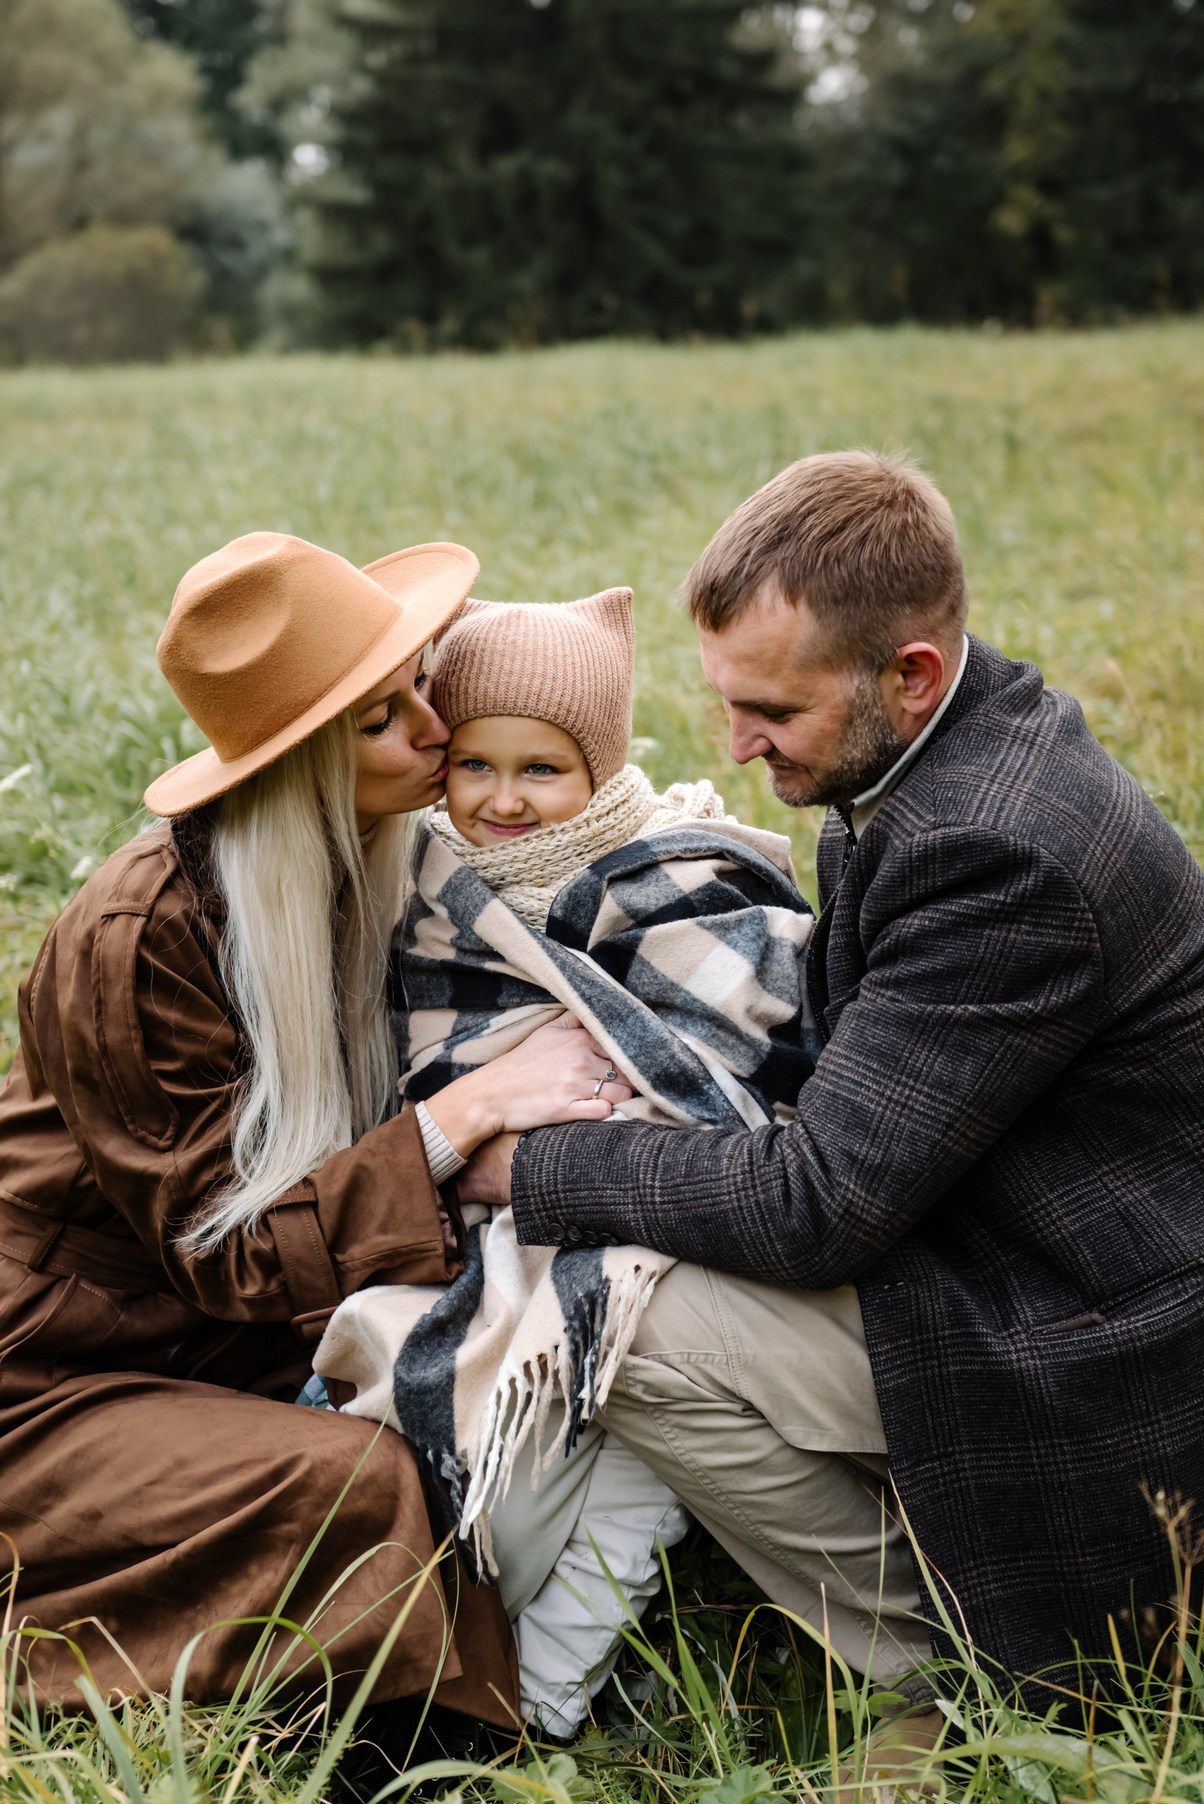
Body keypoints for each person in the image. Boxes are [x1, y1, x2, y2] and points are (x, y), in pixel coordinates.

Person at [458, 451, 1204, 1723]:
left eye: (772, 713)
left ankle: (952, 1667)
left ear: (907, 675)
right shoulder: (933, 750)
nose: (737, 746)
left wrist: (522, 1165)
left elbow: (819, 1206)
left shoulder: (998, 855)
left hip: (1080, 1327)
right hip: (989, 1227)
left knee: (618, 1330)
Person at [0, 530, 632, 1750]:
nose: (432, 731)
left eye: (416, 688)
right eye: (380, 718)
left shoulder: (374, 861)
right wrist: (468, 1111)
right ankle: (460, 1750)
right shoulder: (141, 939)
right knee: (356, 1485)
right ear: (298, 764)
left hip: (222, 1338)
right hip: (54, 1366)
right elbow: (223, 1251)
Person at [316, 584, 819, 1734]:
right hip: (489, 1229)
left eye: (540, 769)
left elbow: (753, 1055)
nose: (501, 800)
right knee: (507, 1453)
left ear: (597, 767)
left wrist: (620, 1091)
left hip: (658, 1216)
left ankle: (545, 1696)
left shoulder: (678, 871)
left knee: (635, 1415)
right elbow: (426, 1059)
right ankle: (489, 1655)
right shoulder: (427, 888)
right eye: (474, 764)